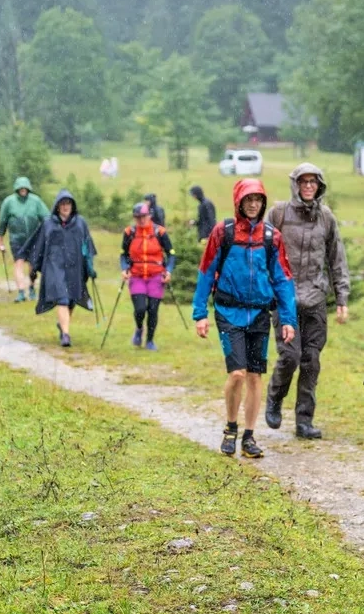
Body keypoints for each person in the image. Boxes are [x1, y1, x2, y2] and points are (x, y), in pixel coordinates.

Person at [192, 179, 297, 459]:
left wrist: (288, 319)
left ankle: (249, 437)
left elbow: (283, 278)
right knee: (236, 373)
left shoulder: (271, 237)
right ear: (239, 201)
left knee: (254, 376)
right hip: (228, 312)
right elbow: (206, 272)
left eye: (258, 200)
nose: (253, 204)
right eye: (248, 199)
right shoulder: (222, 232)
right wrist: (200, 313)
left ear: (263, 203)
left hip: (260, 314)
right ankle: (230, 428)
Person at [263, 163, 350, 439]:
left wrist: (341, 298)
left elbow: (337, 258)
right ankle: (274, 399)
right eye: (304, 181)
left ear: (319, 185)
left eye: (313, 182)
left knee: (311, 360)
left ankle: (304, 420)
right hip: (285, 298)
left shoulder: (326, 218)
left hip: (315, 298)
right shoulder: (278, 214)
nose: (309, 186)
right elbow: (260, 252)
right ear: (296, 184)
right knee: (290, 356)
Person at [21, 190, 98, 348]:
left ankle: (63, 325)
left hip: (74, 267)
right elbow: (38, 245)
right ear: (57, 206)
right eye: (62, 204)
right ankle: (66, 334)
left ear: (72, 205)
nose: (65, 207)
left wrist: (89, 266)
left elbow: (86, 246)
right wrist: (33, 268)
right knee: (62, 298)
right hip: (54, 266)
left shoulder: (80, 223)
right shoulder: (48, 223)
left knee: (71, 300)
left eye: (68, 203)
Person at [120, 202, 176, 350]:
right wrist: (124, 268)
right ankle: (139, 329)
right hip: (137, 276)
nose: (141, 220)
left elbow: (171, 254)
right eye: (138, 217)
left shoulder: (160, 232)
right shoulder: (129, 233)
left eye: (143, 216)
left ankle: (150, 341)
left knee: (152, 309)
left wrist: (168, 270)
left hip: (156, 275)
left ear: (149, 216)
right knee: (139, 309)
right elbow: (123, 254)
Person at [0, 176, 50, 302]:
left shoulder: (36, 201)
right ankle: (21, 292)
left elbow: (47, 217)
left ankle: (31, 287)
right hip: (17, 239)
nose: (23, 190)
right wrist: (0, 241)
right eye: (20, 188)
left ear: (28, 188)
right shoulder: (8, 202)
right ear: (16, 188)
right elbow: (2, 222)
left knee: (33, 265)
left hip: (34, 239)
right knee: (18, 263)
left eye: (25, 188)